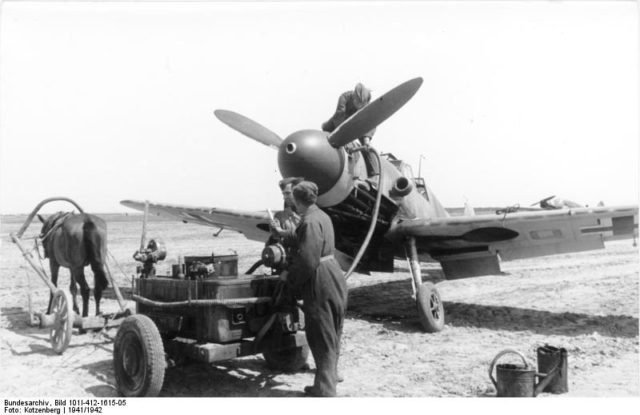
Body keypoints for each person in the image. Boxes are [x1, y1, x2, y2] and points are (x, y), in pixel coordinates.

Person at [279, 181, 348, 397]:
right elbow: (310, 240)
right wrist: (284, 233)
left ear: (297, 200)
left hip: (320, 278)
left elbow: (308, 261)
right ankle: (331, 375)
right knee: (333, 329)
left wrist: (289, 277)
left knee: (320, 333)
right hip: (334, 274)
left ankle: (324, 389)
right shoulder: (322, 216)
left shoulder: (308, 221)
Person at [321, 83, 378, 177]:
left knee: (367, 147)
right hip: (340, 121)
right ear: (354, 97)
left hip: (358, 124)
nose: (359, 106)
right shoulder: (345, 97)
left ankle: (374, 175)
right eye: (358, 103)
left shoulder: (368, 106)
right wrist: (343, 136)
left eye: (362, 105)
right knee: (325, 130)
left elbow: (371, 123)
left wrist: (367, 139)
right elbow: (339, 115)